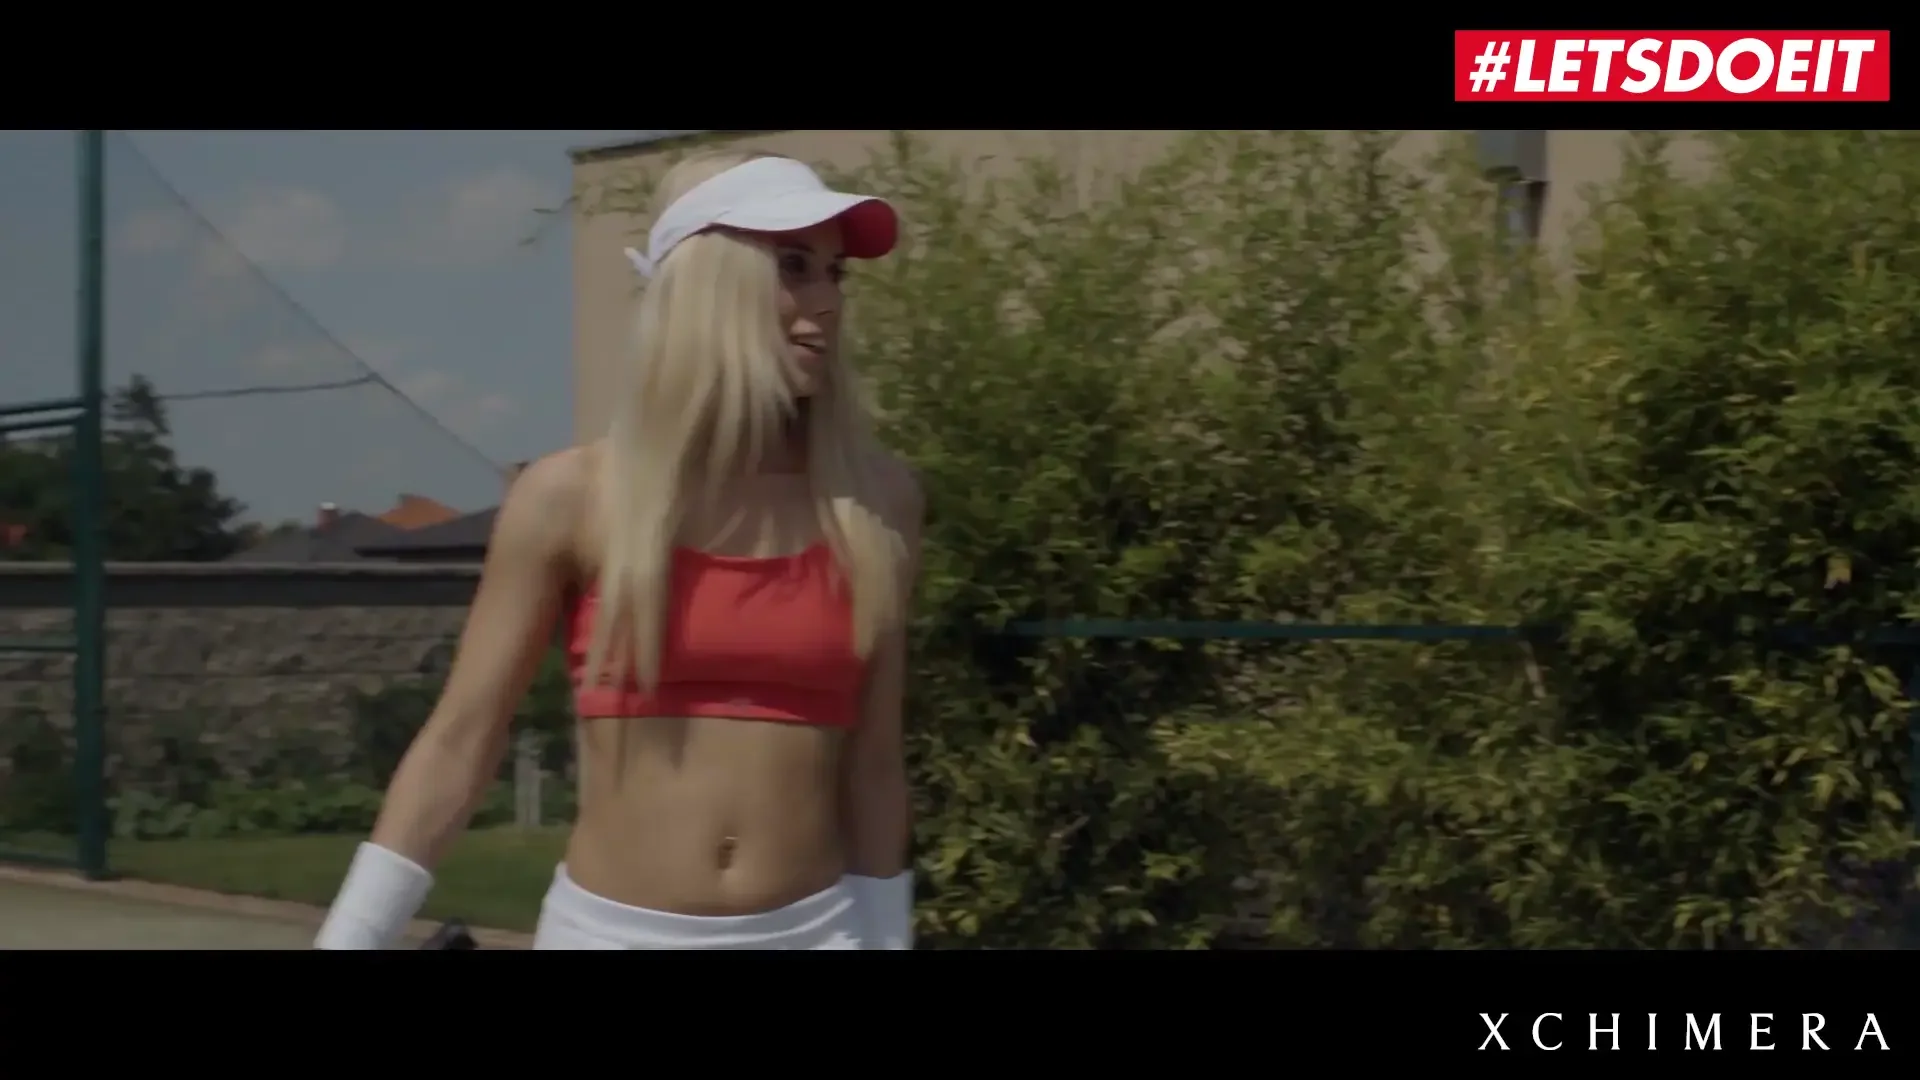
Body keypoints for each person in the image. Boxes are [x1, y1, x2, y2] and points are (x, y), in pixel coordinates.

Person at [314, 150, 923, 950]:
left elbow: (875, 766)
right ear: (707, 281)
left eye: (835, 273)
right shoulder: (570, 497)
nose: (828, 300)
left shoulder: (876, 501)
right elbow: (461, 741)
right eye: (793, 266)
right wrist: (350, 938)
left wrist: (888, 941)